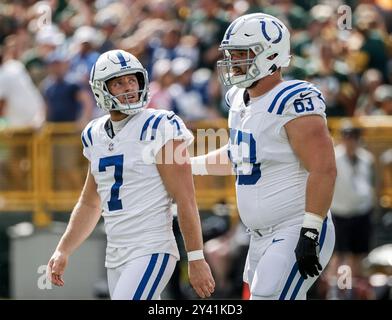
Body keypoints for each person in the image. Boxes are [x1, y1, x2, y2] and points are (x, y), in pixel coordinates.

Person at [46, 49, 215, 300]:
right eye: (118, 82)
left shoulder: (160, 125)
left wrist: (196, 257)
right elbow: (91, 202)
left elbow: (186, 197)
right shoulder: (94, 134)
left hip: (151, 247)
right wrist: (63, 249)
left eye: (132, 80)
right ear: (101, 89)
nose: (129, 87)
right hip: (115, 254)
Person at [191, 13, 336, 300]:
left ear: (271, 54)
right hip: (257, 235)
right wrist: (188, 166)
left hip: (295, 226)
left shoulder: (292, 99)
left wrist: (310, 231)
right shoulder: (238, 99)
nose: (233, 61)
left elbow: (324, 169)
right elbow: (240, 155)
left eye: (242, 54)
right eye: (231, 54)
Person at [329, 125, 375, 290]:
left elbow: (369, 183)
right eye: (347, 137)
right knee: (339, 255)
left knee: (358, 255)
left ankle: (353, 290)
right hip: (340, 211)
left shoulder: (366, 158)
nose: (350, 142)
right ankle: (338, 290)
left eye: (353, 138)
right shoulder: (334, 156)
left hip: (361, 211)